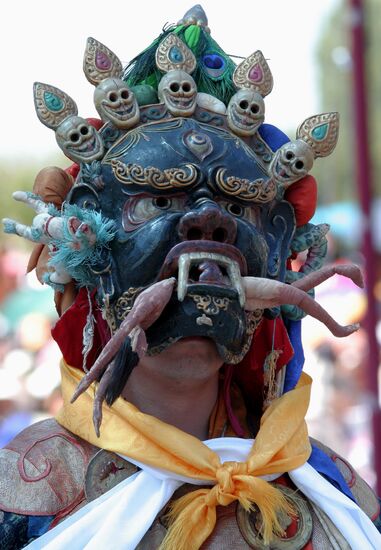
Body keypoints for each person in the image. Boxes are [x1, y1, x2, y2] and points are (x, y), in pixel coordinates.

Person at [1, 5, 380, 549]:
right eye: (159, 199)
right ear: (89, 238)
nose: (208, 223)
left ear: (275, 251)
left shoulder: (338, 497)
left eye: (241, 208)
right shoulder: (22, 496)